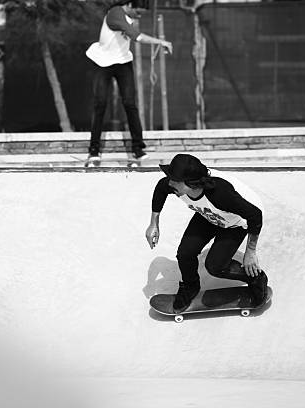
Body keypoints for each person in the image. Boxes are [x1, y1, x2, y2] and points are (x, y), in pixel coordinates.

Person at [145, 154, 268, 313]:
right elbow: (160, 189)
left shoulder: (220, 193)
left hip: (236, 222)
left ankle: (256, 277)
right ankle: (190, 286)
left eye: (174, 180)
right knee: (185, 253)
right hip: (210, 215)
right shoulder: (174, 185)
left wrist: (250, 252)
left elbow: (255, 215)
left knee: (215, 266)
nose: (170, 183)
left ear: (191, 183)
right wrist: (153, 223)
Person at [85, 0, 173, 166]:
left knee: (130, 103)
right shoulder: (115, 13)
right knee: (100, 103)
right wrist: (161, 42)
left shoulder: (127, 16)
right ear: (130, 5)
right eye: (138, 13)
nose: (138, 17)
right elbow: (136, 37)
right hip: (102, 62)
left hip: (123, 62)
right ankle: (94, 151)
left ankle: (138, 150)